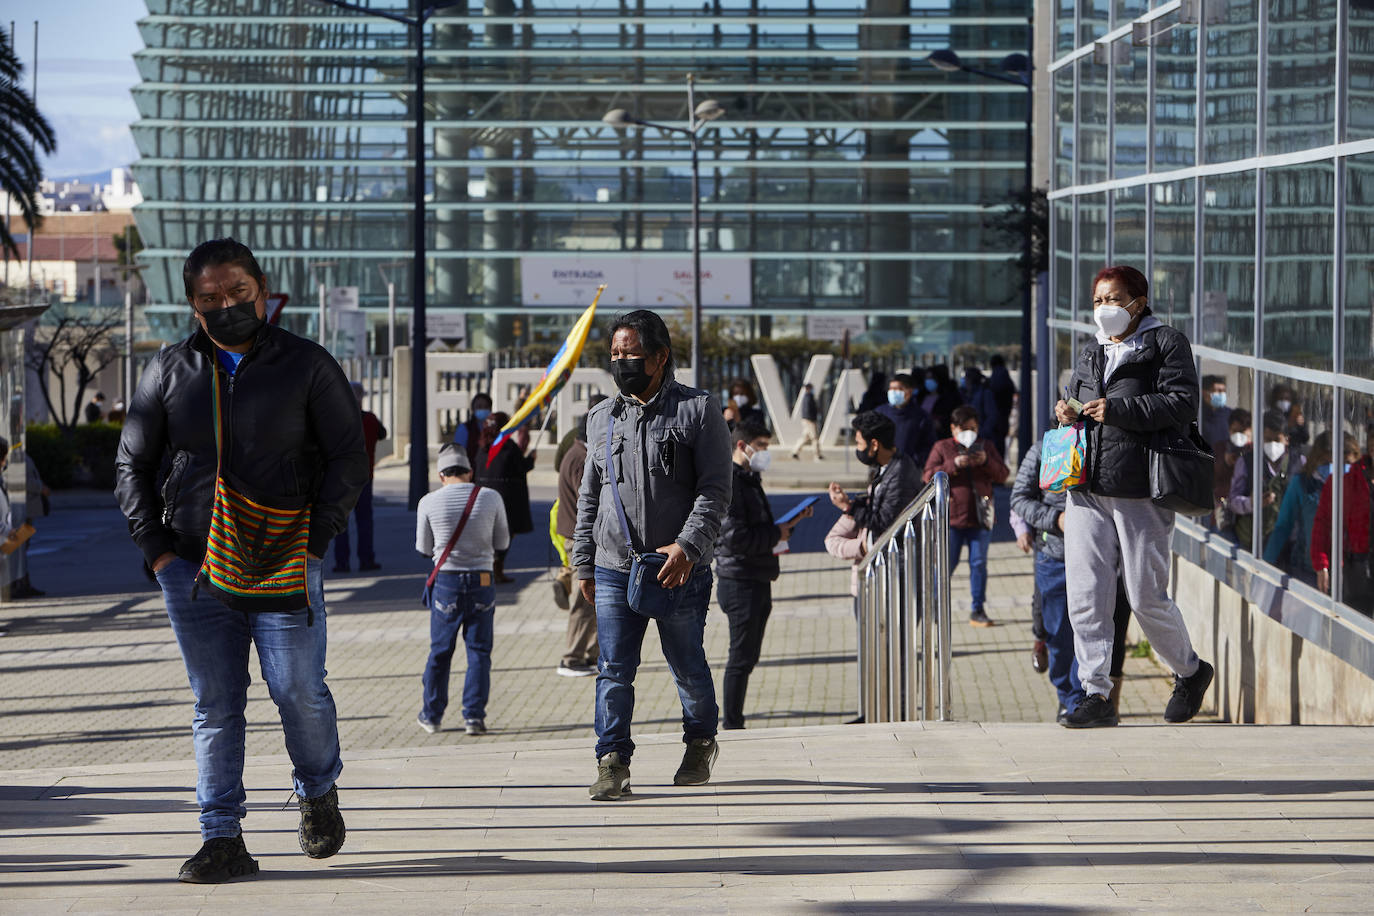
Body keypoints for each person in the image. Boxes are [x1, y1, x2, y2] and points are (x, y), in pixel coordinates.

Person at [115, 238, 368, 883]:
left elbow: (348, 456)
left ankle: (317, 791)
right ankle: (221, 837)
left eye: (237, 293)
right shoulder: (168, 371)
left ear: (261, 289)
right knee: (216, 704)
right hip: (194, 569)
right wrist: (159, 551)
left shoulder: (307, 365)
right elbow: (133, 465)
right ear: (192, 302)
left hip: (287, 556)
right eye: (210, 298)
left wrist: (318, 540)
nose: (226, 306)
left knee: (296, 690)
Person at [573, 309, 732, 801]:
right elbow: (589, 495)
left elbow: (714, 490)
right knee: (613, 667)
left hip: (678, 569)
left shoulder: (698, 410)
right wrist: (582, 561)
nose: (622, 363)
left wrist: (688, 548)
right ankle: (612, 759)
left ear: (661, 357)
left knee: (686, 663)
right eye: (615, 355)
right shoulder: (601, 418)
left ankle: (701, 740)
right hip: (614, 566)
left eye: (632, 355)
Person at [1055, 264, 1213, 728]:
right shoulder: (1092, 351)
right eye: (1098, 300)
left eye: (1114, 299)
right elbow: (1077, 400)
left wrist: (1119, 410)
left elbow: (1183, 403)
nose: (1104, 308)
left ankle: (1190, 671)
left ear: (1138, 303)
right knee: (1086, 595)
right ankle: (1096, 693)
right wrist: (1066, 412)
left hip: (1140, 487)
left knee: (1145, 596)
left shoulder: (1166, 343)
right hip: (1086, 488)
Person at [716, 419, 809, 730]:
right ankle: (732, 724)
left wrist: (785, 528)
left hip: (756, 575)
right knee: (740, 658)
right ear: (743, 446)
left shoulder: (749, 477)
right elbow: (734, 538)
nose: (767, 453)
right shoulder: (730, 481)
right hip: (739, 579)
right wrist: (775, 533)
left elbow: (755, 529)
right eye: (764, 446)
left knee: (748, 656)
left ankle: (734, 720)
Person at [415, 444, 510, 736]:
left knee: (441, 651)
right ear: (470, 471)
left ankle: (432, 715)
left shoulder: (428, 502)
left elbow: (423, 548)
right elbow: (502, 542)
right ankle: (474, 717)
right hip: (482, 579)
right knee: (479, 652)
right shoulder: (491, 497)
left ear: (441, 474)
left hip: (447, 581)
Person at [1009, 437, 1084, 721]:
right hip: (1054, 556)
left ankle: (1087, 696)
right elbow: (1019, 499)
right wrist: (1056, 519)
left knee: (1092, 630)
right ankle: (1069, 697)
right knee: (1060, 634)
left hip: (1100, 557)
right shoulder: (1047, 448)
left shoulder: (1106, 443)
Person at [923, 405, 1009, 628]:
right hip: (951, 519)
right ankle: (933, 605)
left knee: (978, 564)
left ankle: (977, 609)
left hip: (981, 517)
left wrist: (986, 462)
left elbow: (1003, 474)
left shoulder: (986, 446)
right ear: (953, 428)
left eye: (973, 428)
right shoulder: (942, 447)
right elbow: (927, 477)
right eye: (964, 429)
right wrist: (953, 465)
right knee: (945, 565)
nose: (969, 433)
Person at [827, 411, 923, 544]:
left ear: (874, 445)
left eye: (859, 443)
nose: (858, 449)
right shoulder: (886, 465)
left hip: (895, 559)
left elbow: (884, 523)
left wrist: (848, 508)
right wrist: (850, 503)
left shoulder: (900, 476)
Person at [554, 409, 599, 677]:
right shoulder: (581, 459)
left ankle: (591, 654)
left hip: (576, 535)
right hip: (579, 538)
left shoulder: (576, 452)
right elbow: (589, 502)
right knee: (583, 602)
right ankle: (572, 658)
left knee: (592, 603)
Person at [1264, 431, 1337, 587]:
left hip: (1345, 572)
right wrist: (1265, 566)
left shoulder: (1353, 484)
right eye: (1326, 460)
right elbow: (1283, 526)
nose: (1330, 467)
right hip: (1307, 570)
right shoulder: (1302, 483)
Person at [1310, 436, 1373, 613]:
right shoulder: (1341, 482)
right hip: (1356, 572)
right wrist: (1321, 563)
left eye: (1346, 460)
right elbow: (1322, 523)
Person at [333, 381, 387, 573]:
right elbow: (383, 434)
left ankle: (342, 562)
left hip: (342, 479)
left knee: (342, 523)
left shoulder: (336, 419)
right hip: (363, 477)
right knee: (364, 521)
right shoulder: (370, 419)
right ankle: (365, 560)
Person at [475, 411, 534, 584]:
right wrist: (530, 460)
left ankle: (489, 577)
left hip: (483, 500)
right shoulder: (507, 446)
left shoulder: (482, 448)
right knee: (503, 538)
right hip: (506, 502)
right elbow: (520, 468)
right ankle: (493, 574)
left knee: (488, 540)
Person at [1230, 409, 1302, 550]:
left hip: (1289, 542)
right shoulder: (1246, 462)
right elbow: (1233, 501)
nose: (1272, 445)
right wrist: (1251, 503)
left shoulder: (1298, 462)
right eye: (1268, 440)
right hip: (1254, 542)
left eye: (1277, 440)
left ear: (1286, 439)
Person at [875, 373, 936, 469]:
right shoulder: (880, 412)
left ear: (909, 391)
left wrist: (914, 461)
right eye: (891, 389)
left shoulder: (921, 416)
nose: (893, 392)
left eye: (898, 389)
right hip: (883, 467)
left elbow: (928, 444)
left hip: (910, 469)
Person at [986, 354, 1018, 460]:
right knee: (1000, 446)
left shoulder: (997, 376)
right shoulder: (1005, 376)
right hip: (1004, 415)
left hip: (997, 416)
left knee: (996, 446)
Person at [960, 367, 1000, 447]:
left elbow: (992, 416)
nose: (964, 380)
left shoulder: (984, 393)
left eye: (966, 377)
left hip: (981, 438)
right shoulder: (965, 394)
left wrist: (982, 433)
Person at [452, 391, 492, 470]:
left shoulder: (493, 429)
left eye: (486, 406)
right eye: (479, 406)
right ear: (473, 409)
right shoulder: (464, 428)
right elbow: (458, 453)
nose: (483, 409)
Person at [920, 364, 963, 436]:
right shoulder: (921, 396)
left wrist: (941, 423)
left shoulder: (951, 397)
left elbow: (956, 416)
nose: (928, 381)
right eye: (926, 378)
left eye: (931, 378)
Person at [790, 382, 824, 460]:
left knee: (805, 437)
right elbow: (809, 410)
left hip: (806, 420)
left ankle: (795, 452)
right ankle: (817, 454)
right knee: (814, 438)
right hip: (810, 420)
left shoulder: (806, 397)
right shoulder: (809, 397)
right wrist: (813, 419)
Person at [1200, 375, 1231, 451]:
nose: (1222, 394)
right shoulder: (1198, 414)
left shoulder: (1229, 414)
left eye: (1224, 391)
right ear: (1204, 392)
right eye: (1219, 391)